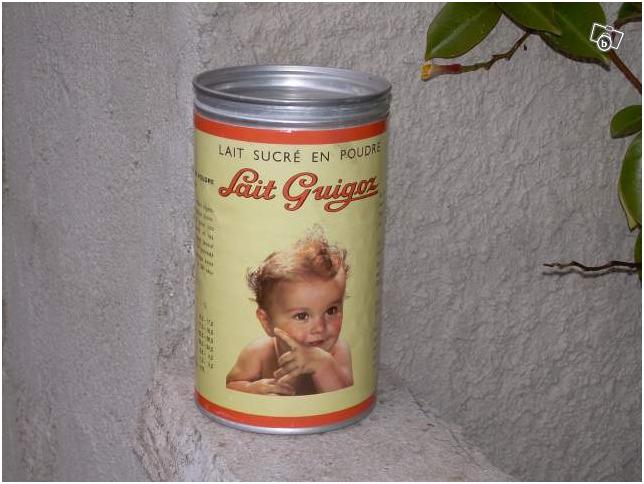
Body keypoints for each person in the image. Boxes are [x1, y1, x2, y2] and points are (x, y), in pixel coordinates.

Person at [226, 233, 354, 396]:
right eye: (302, 316)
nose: (320, 328)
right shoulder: (259, 353)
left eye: (331, 311)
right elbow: (231, 385)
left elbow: (345, 396)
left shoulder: (338, 352)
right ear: (266, 322)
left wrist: (323, 364)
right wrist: (252, 389)